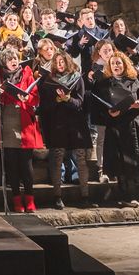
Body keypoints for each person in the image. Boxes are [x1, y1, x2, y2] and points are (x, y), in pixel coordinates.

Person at [99, 52, 139, 209]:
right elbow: (101, 105)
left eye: (119, 63)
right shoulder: (105, 84)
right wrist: (109, 112)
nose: (116, 66)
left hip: (133, 124)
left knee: (138, 160)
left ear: (124, 64)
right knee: (121, 161)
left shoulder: (134, 81)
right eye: (113, 64)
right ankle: (126, 195)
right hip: (117, 126)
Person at [38, 50, 92, 209]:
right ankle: (57, 196)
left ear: (67, 62)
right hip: (57, 124)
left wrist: (67, 99)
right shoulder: (49, 81)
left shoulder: (77, 78)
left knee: (80, 159)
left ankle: (85, 195)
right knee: (57, 159)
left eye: (62, 61)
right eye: (56, 62)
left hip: (76, 124)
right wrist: (56, 100)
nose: (59, 65)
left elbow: (80, 103)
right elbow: (44, 106)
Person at [0, 47, 43, 212]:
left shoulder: (27, 74)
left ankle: (29, 199)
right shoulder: (0, 76)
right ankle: (16, 199)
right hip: (8, 122)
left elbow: (36, 98)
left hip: (24, 122)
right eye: (10, 59)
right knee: (12, 165)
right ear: (4, 63)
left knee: (26, 164)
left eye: (15, 58)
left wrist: (27, 97)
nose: (14, 61)